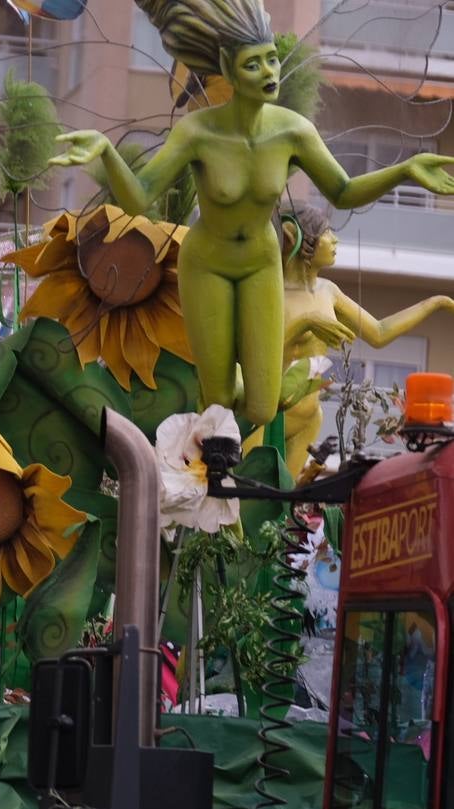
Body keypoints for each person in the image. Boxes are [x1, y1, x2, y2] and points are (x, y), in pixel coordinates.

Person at [49, 0, 454, 427]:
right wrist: (109, 153)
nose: (270, 73)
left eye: (272, 60)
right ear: (227, 66)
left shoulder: (293, 130)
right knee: (221, 398)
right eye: (254, 65)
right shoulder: (198, 131)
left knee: (262, 407)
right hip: (207, 264)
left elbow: (343, 190)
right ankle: (212, 439)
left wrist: (405, 170)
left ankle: (246, 385)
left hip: (261, 262)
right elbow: (140, 198)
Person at [275, 206, 454, 474]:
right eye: (327, 233)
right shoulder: (273, 292)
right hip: (272, 417)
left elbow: (379, 333)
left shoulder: (328, 291)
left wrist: (435, 302)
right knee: (254, 498)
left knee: (280, 507)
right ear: (299, 240)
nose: (336, 241)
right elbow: (259, 356)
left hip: (310, 417)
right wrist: (306, 321)